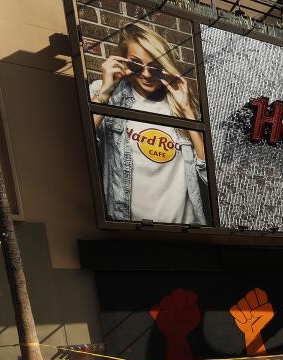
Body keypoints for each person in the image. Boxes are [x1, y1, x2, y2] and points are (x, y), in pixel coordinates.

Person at [89, 23, 207, 225]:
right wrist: (106, 93)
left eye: (154, 66)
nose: (146, 74)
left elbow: (207, 176)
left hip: (185, 229)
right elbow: (80, 149)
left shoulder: (179, 105)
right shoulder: (107, 95)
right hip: (129, 229)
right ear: (124, 61)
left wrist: (187, 112)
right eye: (136, 64)